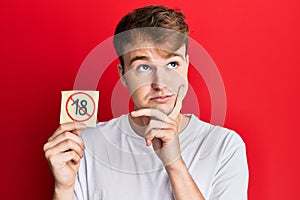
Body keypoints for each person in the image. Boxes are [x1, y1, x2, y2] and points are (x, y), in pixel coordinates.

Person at [43, 5, 248, 200]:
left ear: (186, 65)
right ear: (123, 74)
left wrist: (174, 164)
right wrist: (63, 188)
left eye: (172, 64)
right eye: (143, 67)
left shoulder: (224, 145)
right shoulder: (85, 145)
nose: (160, 83)